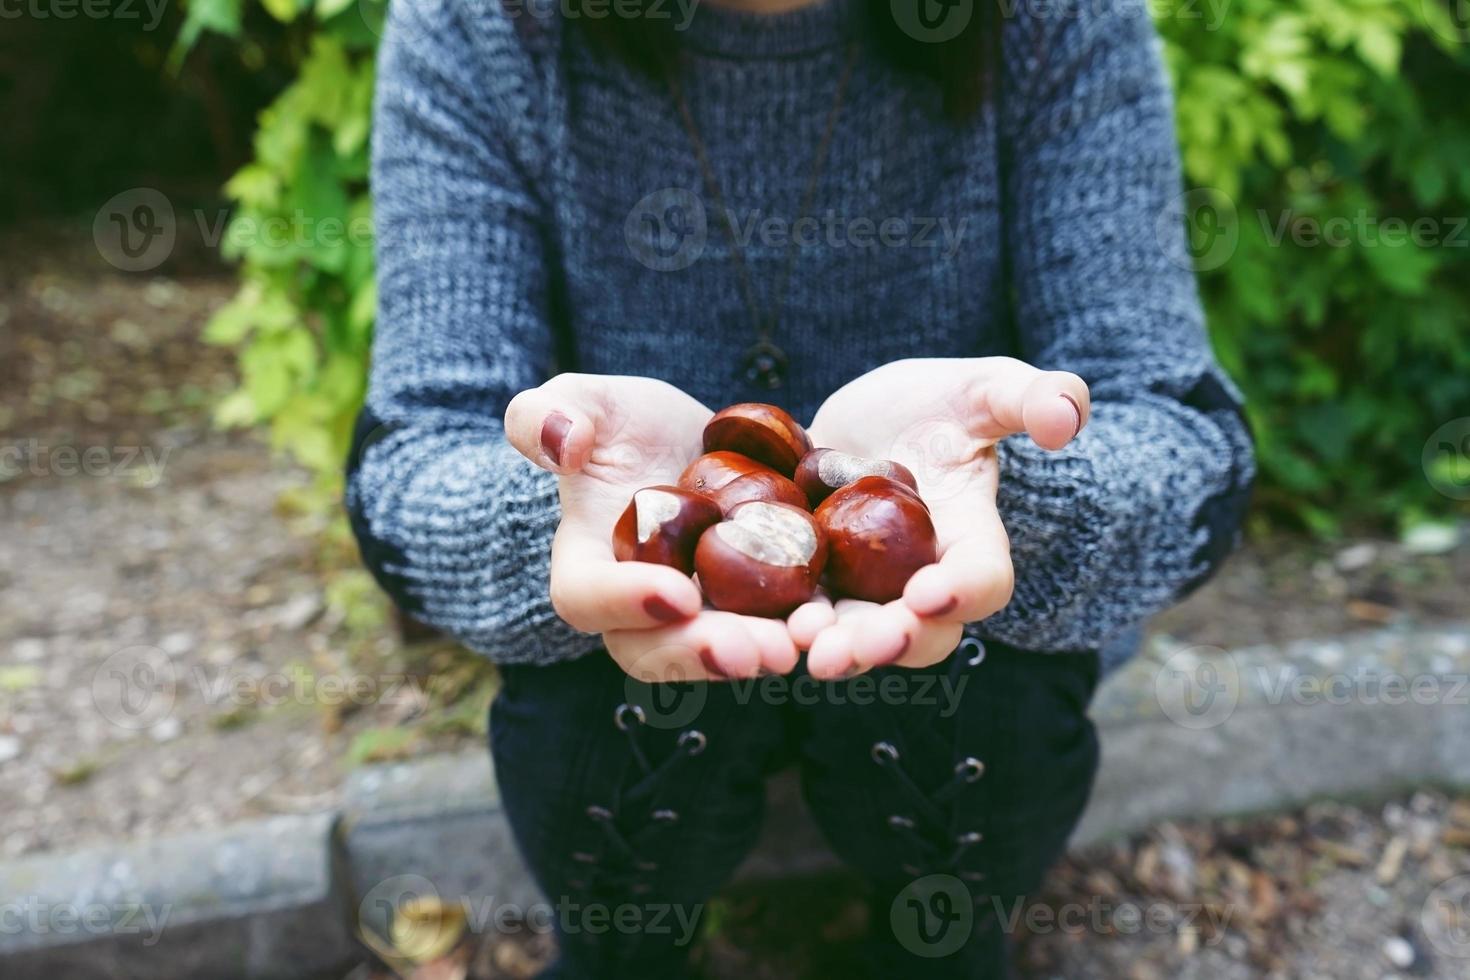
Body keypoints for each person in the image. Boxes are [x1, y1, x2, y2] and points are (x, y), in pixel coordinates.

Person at [346, 0, 1255, 974]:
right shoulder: (483, 25)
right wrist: (592, 509)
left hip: (974, 667)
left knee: (978, 688)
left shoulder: (1052, 18)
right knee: (594, 710)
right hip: (616, 675)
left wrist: (988, 493)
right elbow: (407, 470)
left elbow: (1190, 450)